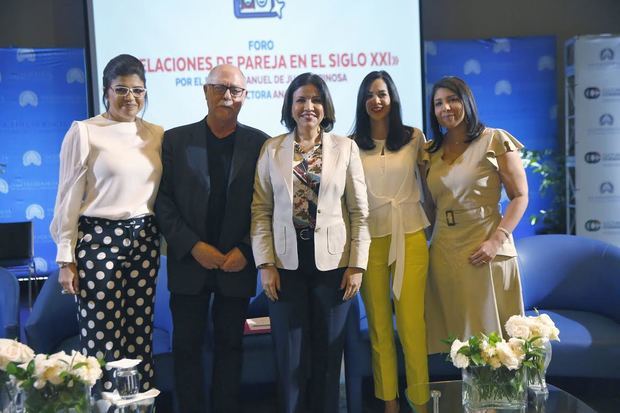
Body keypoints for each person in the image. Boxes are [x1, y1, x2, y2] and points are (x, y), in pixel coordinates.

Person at [251, 72, 370, 413]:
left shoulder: (345, 148)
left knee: (328, 360)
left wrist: (357, 265)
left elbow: (360, 213)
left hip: (333, 268)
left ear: (325, 106)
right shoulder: (272, 149)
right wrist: (266, 264)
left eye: (316, 99)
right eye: (301, 99)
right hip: (286, 268)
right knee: (290, 361)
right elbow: (260, 211)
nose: (309, 106)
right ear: (290, 105)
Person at [154, 64, 268, 413]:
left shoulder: (260, 143)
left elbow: (267, 204)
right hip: (190, 263)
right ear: (205, 92)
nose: (227, 96)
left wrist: (247, 251)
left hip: (236, 263)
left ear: (245, 97)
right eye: (220, 88)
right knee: (186, 348)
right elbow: (162, 200)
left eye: (235, 90)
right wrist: (192, 246)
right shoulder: (175, 140)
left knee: (230, 348)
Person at [50, 54, 163, 391]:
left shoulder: (156, 134)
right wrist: (65, 258)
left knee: (139, 333)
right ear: (106, 91)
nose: (131, 98)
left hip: (144, 239)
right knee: (102, 334)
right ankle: (103, 403)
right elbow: (68, 197)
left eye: (138, 91)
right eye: (122, 90)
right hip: (98, 240)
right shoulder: (85, 132)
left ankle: (139, 403)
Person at [424, 76, 528, 355]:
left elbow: (520, 196)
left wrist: (496, 242)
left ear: (467, 101)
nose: (446, 107)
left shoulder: (494, 139)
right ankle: (470, 399)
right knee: (459, 344)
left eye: (453, 99)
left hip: (485, 248)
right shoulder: (429, 152)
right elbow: (430, 208)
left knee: (495, 346)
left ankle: (501, 400)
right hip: (445, 253)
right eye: (438, 103)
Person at [351, 71, 430, 412]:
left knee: (412, 325)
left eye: (382, 93)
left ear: (393, 97)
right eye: (369, 94)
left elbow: (430, 187)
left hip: (411, 236)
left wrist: (438, 229)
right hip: (370, 242)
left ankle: (421, 401)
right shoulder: (351, 143)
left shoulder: (414, 137)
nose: (376, 100)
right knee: (380, 328)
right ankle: (389, 402)